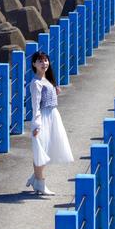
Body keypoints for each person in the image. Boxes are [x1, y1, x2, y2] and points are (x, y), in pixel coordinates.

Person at [25, 51, 74, 195]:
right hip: (43, 118)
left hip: (53, 115)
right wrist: (37, 124)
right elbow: (35, 106)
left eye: (45, 60)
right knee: (41, 150)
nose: (44, 63)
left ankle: (35, 178)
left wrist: (55, 90)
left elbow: (49, 96)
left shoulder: (47, 79)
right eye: (40, 61)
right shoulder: (36, 83)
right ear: (34, 64)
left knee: (47, 149)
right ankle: (40, 183)